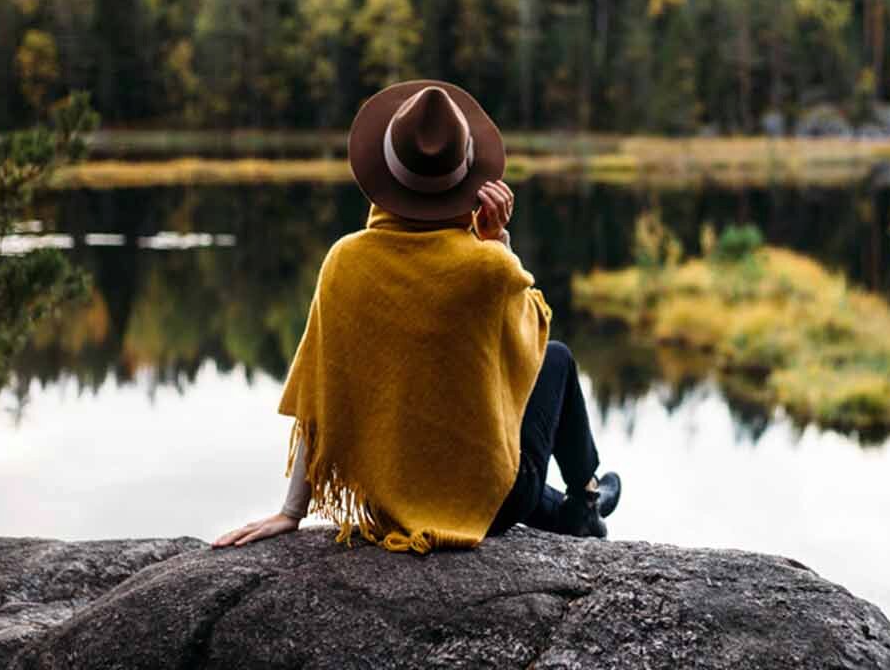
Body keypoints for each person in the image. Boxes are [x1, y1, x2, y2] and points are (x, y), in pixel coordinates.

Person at [213, 80, 620, 553]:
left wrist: (291, 512)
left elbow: (320, 395)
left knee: (481, 472)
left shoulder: (345, 260)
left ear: (385, 175)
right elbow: (527, 346)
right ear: (468, 181)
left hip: (386, 497)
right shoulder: (484, 267)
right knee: (557, 359)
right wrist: (500, 248)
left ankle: (582, 508)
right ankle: (585, 498)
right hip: (495, 501)